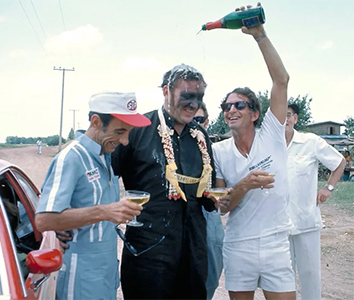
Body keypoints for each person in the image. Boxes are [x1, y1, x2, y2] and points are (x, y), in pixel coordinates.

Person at [109, 62, 218, 299]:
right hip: (148, 255)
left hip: (193, 254)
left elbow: (209, 200)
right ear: (166, 91)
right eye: (187, 95)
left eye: (199, 97)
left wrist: (223, 195)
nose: (194, 104)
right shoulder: (138, 130)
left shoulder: (201, 137)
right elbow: (104, 178)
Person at [212, 4, 295, 299]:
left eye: (240, 105)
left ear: (255, 113)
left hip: (276, 242)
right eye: (227, 106)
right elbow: (223, 206)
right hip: (239, 244)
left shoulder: (271, 133)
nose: (231, 109)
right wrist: (244, 185)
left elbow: (281, 80)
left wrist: (260, 35)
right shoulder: (218, 151)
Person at [35, 92, 149, 300]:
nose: (124, 141)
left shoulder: (106, 156)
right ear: (96, 122)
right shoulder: (71, 159)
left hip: (106, 273)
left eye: (128, 133)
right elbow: (44, 219)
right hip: (81, 276)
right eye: (120, 131)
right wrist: (105, 212)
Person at [285, 103, 345, 300]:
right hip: (278, 225)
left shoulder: (310, 142)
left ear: (295, 118)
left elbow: (339, 163)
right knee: (283, 278)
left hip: (306, 221)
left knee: (310, 276)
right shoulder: (268, 145)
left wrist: (328, 188)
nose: (284, 119)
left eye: (289, 115)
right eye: (280, 115)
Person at [195, 102, 224, 299]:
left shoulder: (218, 151)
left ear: (207, 122)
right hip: (185, 212)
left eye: (199, 120)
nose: (194, 124)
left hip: (209, 214)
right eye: (191, 119)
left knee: (212, 271)